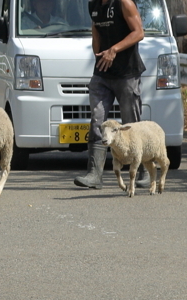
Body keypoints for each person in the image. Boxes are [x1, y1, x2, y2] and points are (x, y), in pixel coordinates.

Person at [75, 0, 147, 188]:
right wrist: (99, 54)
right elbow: (96, 32)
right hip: (102, 73)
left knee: (131, 124)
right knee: (97, 120)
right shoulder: (94, 5)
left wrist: (114, 49)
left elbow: (139, 32)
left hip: (127, 74)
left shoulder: (124, 3)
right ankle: (94, 175)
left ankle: (143, 171)